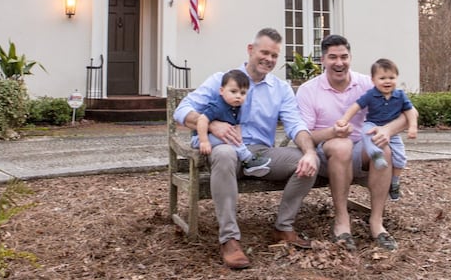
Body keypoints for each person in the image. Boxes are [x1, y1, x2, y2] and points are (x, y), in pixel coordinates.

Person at [174, 28, 319, 269]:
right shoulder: (223, 80)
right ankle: (229, 239)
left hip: (259, 154)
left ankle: (283, 227)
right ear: (250, 50)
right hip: (225, 151)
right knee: (224, 153)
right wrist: (213, 124)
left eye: (274, 55)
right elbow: (182, 111)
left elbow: (296, 125)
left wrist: (310, 151)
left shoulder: (280, 89)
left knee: (308, 161)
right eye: (264, 52)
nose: (269, 59)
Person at [296, 35, 411, 252]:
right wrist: (333, 132)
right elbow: (305, 135)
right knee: (342, 145)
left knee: (382, 149)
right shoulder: (309, 90)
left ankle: (377, 222)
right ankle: (342, 221)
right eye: (332, 57)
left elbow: (407, 114)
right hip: (327, 153)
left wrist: (387, 129)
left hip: (362, 148)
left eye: (344, 56)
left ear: (350, 57)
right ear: (322, 60)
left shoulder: (368, 83)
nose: (339, 62)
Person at [335, 58, 418, 200]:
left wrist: (412, 126)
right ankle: (376, 155)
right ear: (373, 80)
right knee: (368, 136)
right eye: (382, 78)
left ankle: (395, 182)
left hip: (392, 130)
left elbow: (410, 111)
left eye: (391, 78)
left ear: (396, 78)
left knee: (400, 156)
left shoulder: (400, 96)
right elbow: (356, 107)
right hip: (372, 125)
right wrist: (344, 119)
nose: (387, 81)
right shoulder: (371, 94)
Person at [190, 69, 272, 177]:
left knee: (233, 137)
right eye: (233, 92)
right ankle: (248, 161)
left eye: (243, 93)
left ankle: (249, 164)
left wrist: (238, 137)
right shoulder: (218, 106)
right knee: (229, 137)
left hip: (216, 139)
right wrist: (204, 141)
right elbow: (202, 120)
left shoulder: (236, 107)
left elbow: (236, 125)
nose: (238, 96)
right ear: (221, 91)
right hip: (200, 139)